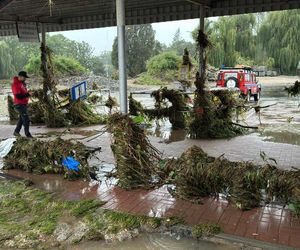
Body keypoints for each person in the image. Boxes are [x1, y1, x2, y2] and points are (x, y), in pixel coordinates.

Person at [11, 71, 33, 138]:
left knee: (21, 119)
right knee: (26, 119)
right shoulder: (16, 84)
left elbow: (23, 93)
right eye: (24, 77)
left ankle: (16, 132)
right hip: (19, 104)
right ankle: (28, 134)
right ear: (20, 77)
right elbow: (18, 96)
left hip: (23, 104)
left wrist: (28, 93)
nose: (25, 79)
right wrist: (28, 94)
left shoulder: (21, 83)